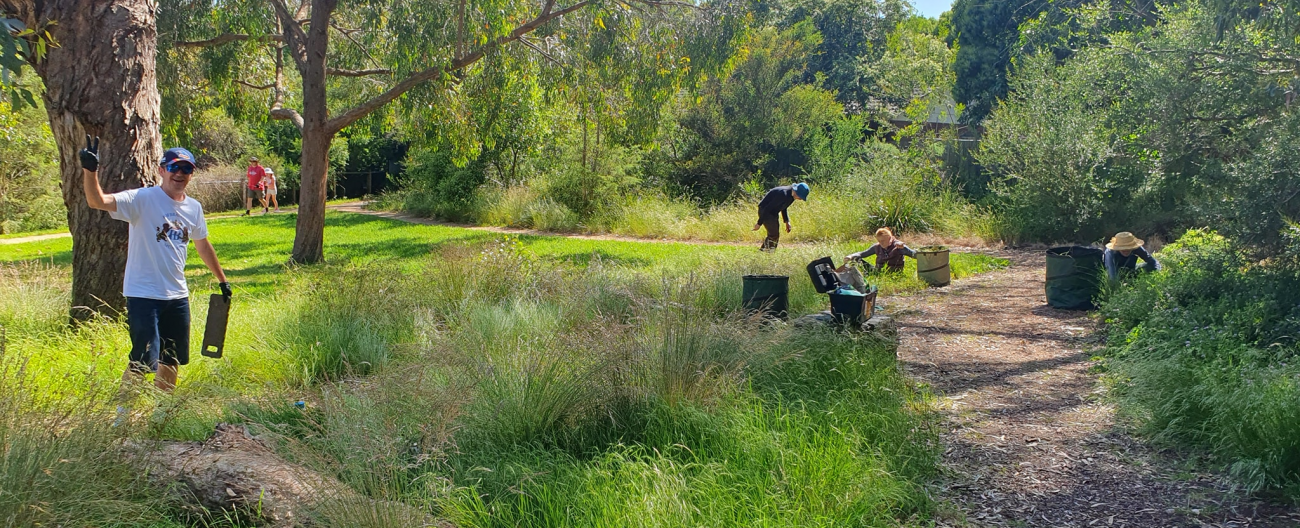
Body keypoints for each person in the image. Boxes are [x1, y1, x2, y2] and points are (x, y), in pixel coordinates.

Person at [79, 136, 231, 392]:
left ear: (191, 174)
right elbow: (97, 201)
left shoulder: (194, 208)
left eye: (186, 169)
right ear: (162, 170)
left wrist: (222, 280)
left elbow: (202, 245)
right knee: (142, 358)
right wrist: (90, 171)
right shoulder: (142, 199)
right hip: (143, 294)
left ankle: (162, 416)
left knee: (171, 359)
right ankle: (121, 418)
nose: (179, 174)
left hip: (177, 295)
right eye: (174, 167)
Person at [752, 182, 809, 250]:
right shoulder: (782, 194)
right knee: (773, 235)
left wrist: (787, 221)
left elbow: (784, 207)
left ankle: (766, 252)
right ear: (796, 191)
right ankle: (766, 253)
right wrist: (759, 223)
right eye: (800, 196)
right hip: (765, 211)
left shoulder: (792, 196)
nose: (800, 199)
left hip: (773, 212)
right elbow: (767, 208)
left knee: (774, 235)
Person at [846, 227, 916, 273]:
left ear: (889, 238)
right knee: (856, 259)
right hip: (877, 272)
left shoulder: (898, 246)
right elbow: (863, 254)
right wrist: (851, 256)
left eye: (883, 241)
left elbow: (914, 255)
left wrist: (903, 247)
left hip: (893, 273)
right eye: (879, 241)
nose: (881, 243)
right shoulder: (877, 247)